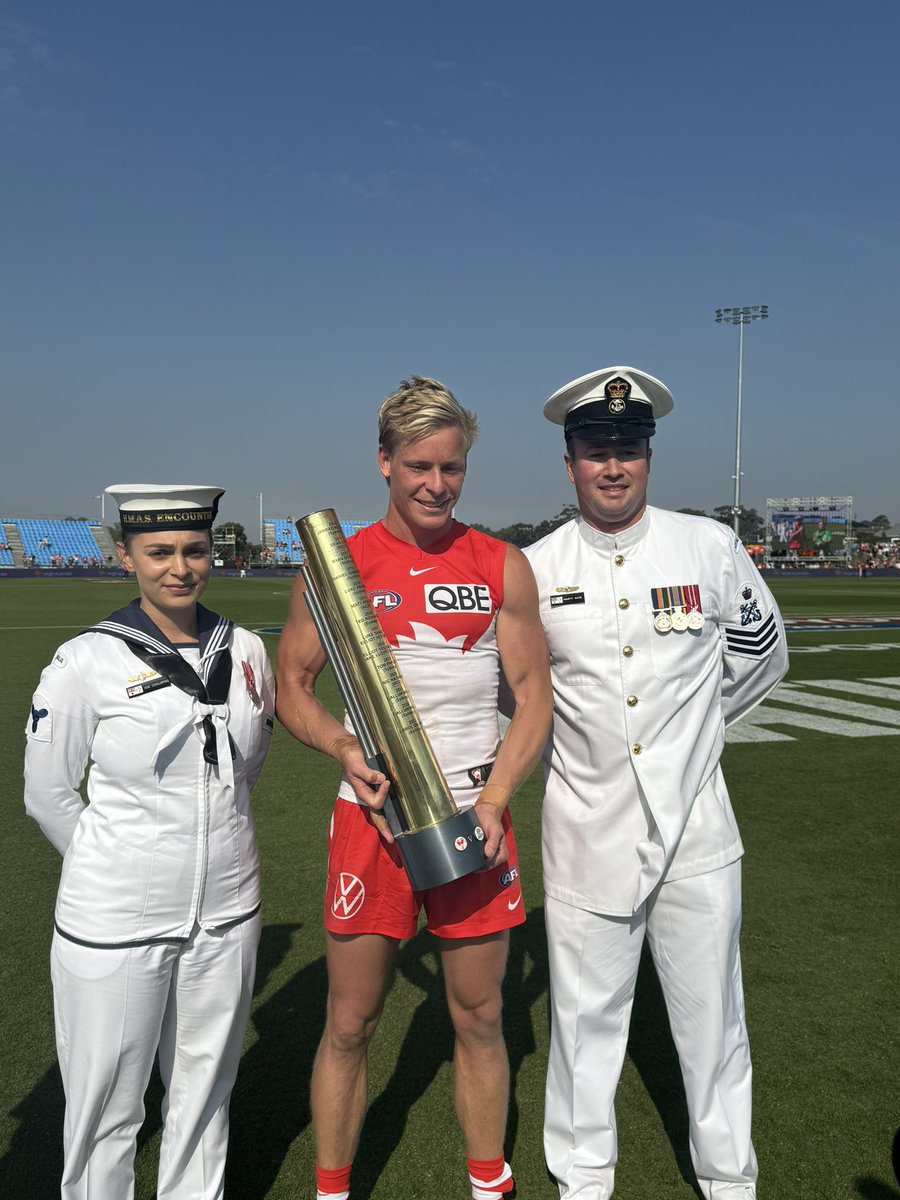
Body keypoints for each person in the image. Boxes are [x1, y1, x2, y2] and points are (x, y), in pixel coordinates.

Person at [276, 376, 551, 1200]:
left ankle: (487, 1184)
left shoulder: (501, 563)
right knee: (351, 1022)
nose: (437, 484)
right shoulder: (338, 565)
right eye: (420, 466)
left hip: (474, 818)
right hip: (371, 822)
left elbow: (534, 697)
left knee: (478, 1016)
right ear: (385, 462)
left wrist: (497, 800)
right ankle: (333, 1189)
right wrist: (338, 744)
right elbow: (292, 682)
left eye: (454, 467)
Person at [522, 367, 788, 1200]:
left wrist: (692, 737)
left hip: (699, 836)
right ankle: (584, 1181)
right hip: (584, 830)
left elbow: (761, 656)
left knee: (713, 1025)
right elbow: (518, 696)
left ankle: (728, 1179)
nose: (613, 466)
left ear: (648, 455)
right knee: (584, 1028)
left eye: (628, 449)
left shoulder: (707, 546)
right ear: (568, 461)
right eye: (596, 450)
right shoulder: (532, 568)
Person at [24, 484, 275, 1200]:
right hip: (113, 921)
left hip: (226, 911)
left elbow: (245, 770)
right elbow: (47, 794)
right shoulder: (85, 662)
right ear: (127, 555)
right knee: (107, 1108)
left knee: (204, 1094)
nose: (179, 567)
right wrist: (117, 867)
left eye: (194, 550)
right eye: (159, 551)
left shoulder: (247, 649)